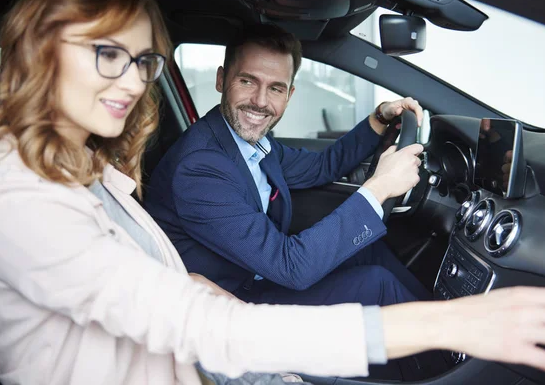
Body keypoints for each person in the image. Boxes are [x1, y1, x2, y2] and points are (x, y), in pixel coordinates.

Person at [0, 0, 545, 384]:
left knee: (369, 252)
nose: (132, 82)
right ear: (41, 52)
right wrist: (445, 323)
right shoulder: (23, 202)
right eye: (106, 54)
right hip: (208, 344)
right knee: (373, 276)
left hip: (202, 327)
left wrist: (375, 126)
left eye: (143, 62)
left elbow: (315, 170)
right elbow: (211, 325)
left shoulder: (83, 172)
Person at [144, 22, 430, 307]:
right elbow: (291, 267)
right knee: (377, 285)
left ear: (289, 95)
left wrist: (379, 118)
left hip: (257, 273)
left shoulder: (252, 144)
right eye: (247, 81)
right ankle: (451, 345)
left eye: (276, 89)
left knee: (369, 252)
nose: (259, 101)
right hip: (231, 302)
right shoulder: (200, 168)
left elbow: (323, 166)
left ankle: (445, 321)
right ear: (221, 80)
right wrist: (380, 187)